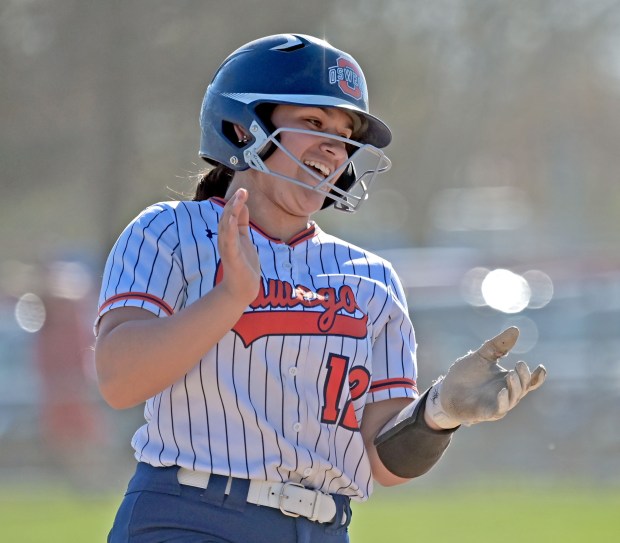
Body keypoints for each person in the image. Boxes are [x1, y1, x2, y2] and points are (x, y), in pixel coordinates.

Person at [94, 34, 547, 543]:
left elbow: (383, 463)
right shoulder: (170, 231)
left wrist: (439, 412)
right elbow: (119, 380)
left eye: (345, 133)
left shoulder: (372, 277)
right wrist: (230, 298)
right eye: (313, 123)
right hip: (190, 517)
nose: (335, 147)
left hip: (323, 529)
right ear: (243, 126)